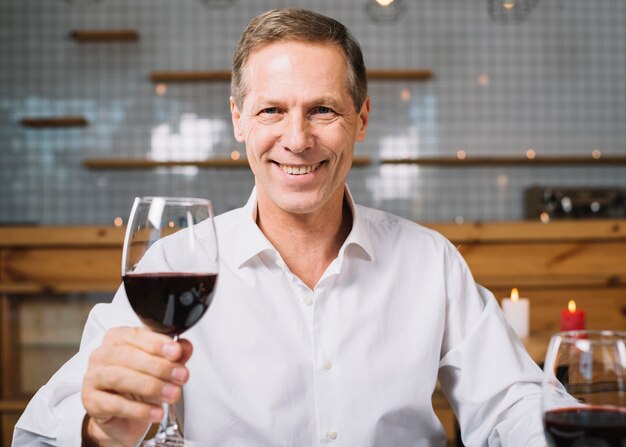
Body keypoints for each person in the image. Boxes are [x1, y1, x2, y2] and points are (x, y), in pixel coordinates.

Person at [14, 8, 548, 446]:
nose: (296, 140)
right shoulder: (172, 267)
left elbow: (512, 404)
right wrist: (98, 431)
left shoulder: (431, 262)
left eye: (322, 110)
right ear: (238, 119)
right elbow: (37, 436)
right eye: (271, 110)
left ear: (361, 120)